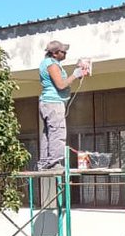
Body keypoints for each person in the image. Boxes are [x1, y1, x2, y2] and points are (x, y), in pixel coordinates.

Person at [38, 40, 90, 169]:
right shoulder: (52, 65)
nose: (65, 53)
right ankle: (54, 162)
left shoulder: (48, 63)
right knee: (57, 132)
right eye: (63, 51)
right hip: (53, 103)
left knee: (48, 133)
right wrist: (75, 74)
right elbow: (61, 85)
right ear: (55, 53)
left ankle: (45, 162)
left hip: (48, 102)